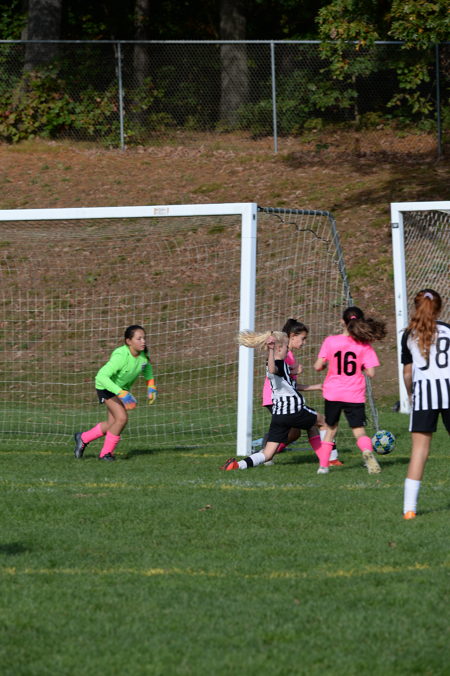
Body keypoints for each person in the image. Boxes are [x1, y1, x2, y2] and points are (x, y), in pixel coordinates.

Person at [221, 330, 331, 474]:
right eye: (286, 347)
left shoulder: (283, 365)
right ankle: (326, 463)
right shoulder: (276, 363)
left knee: (268, 454)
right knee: (324, 422)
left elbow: (290, 385)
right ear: (279, 348)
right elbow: (272, 369)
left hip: (279, 415)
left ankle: (238, 465)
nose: (287, 350)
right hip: (294, 410)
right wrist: (271, 351)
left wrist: (315, 385)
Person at [314, 306, 386, 474]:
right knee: (359, 431)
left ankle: (323, 466)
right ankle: (367, 452)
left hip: (333, 393)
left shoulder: (331, 341)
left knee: (330, 430)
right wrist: (360, 366)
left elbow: (318, 366)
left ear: (342, 322)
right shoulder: (364, 345)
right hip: (354, 394)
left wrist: (324, 364)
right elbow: (371, 373)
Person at [261, 318, 342, 464]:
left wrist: (317, 387)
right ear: (292, 336)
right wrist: (294, 370)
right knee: (316, 423)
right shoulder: (286, 355)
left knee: (294, 433)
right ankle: (330, 459)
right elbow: (276, 372)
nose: (304, 342)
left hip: (274, 399)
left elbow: (292, 386)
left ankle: (264, 455)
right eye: (303, 338)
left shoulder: (288, 355)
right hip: (277, 399)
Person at [73, 325, 157, 461]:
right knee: (122, 418)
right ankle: (105, 454)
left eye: (144, 338)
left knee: (112, 424)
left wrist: (151, 386)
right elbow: (101, 377)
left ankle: (83, 437)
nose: (143, 341)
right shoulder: (121, 356)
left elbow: (147, 368)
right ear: (128, 341)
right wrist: (121, 393)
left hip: (120, 390)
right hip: (106, 387)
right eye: (139, 339)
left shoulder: (142, 356)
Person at [402, 289, 450, 519]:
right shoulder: (449, 330)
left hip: (424, 396)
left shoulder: (409, 334)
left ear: (416, 307)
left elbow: (407, 373)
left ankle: (409, 509)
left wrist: (410, 394)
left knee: (419, 451)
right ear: (439, 308)